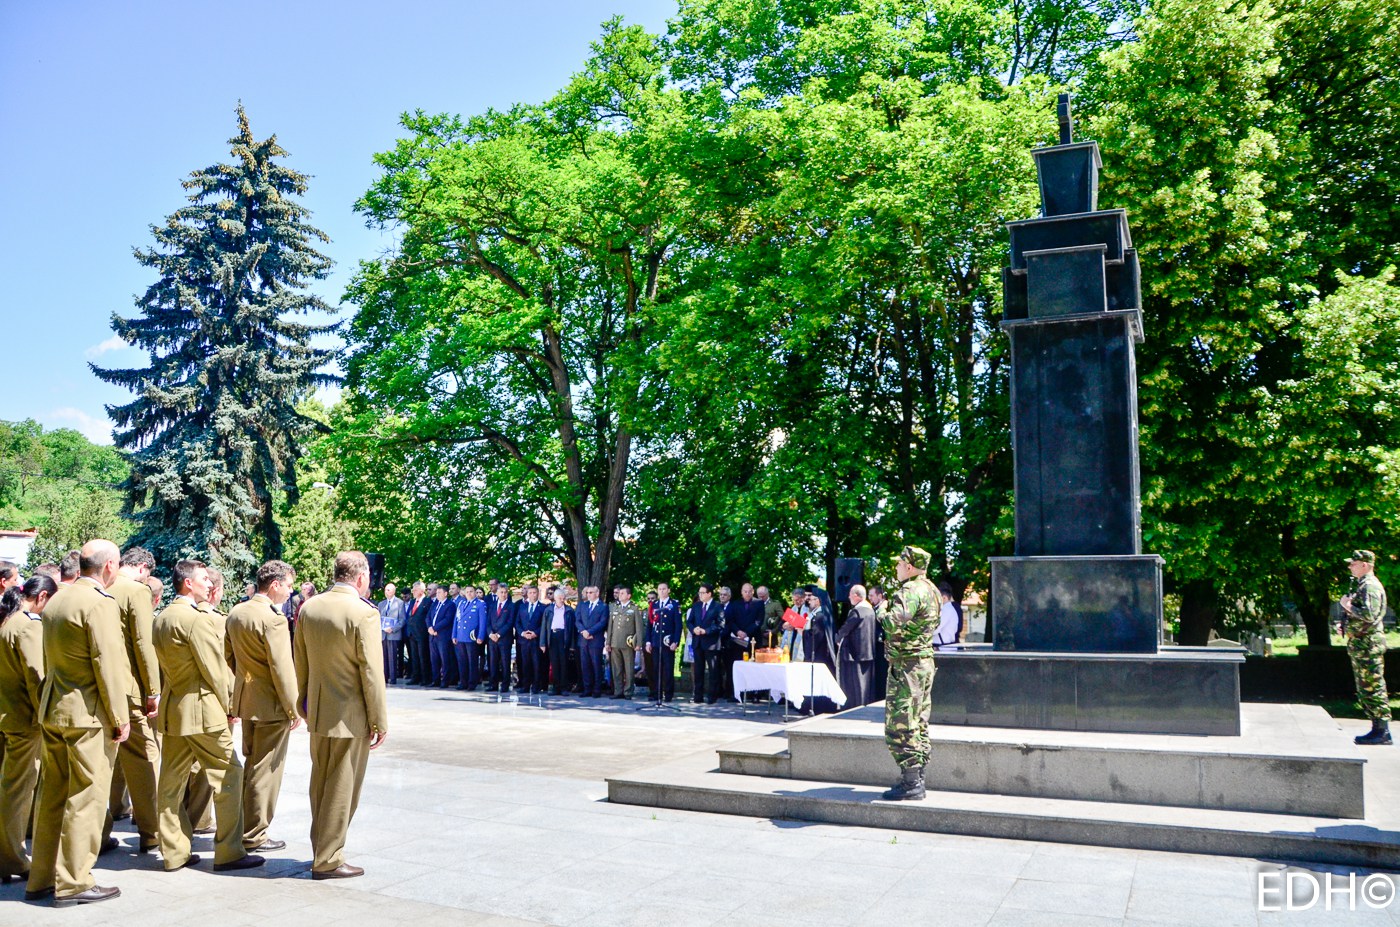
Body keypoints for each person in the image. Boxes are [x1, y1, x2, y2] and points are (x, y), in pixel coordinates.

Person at [26, 539, 131, 908]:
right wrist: (120, 717)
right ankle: (73, 881)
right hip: (87, 715)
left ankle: (40, 877)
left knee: (52, 795)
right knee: (86, 797)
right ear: (108, 566)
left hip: (55, 709)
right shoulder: (98, 603)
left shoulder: (57, 599)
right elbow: (108, 663)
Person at [152, 560, 262, 873]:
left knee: (170, 784)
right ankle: (229, 851)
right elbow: (215, 669)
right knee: (229, 776)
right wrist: (232, 704)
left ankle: (174, 852)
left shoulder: (162, 617)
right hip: (202, 711)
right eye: (203, 579)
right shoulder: (195, 618)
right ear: (187, 583)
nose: (208, 585)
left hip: (175, 710)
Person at [293, 551, 389, 880]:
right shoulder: (364, 613)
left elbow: (300, 662)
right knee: (342, 788)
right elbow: (372, 673)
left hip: (317, 711)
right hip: (351, 715)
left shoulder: (310, 608)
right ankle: (329, 859)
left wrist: (303, 704)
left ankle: (320, 847)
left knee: (320, 784)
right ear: (361, 578)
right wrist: (380, 720)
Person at [225, 560, 300, 854]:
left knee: (252, 762)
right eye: (289, 585)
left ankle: (245, 825)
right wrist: (293, 708)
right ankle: (255, 833)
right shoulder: (274, 618)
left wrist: (246, 682)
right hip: (270, 703)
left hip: (247, 699)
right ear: (275, 585)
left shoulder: (237, 612)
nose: (291, 591)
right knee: (265, 768)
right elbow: (282, 668)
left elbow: (229, 656)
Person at [102, 546, 162, 856]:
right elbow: (143, 642)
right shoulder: (136, 591)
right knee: (145, 757)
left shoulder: (103, 587)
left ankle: (99, 832)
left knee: (105, 764)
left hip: (101, 689)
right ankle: (152, 831)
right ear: (142, 569)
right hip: (130, 691)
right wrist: (153, 690)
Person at [0, 574, 55, 883]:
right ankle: (11, 859)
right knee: (17, 793)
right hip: (24, 720)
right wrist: (45, 717)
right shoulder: (28, 626)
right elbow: (37, 678)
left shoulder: (7, 621)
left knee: (9, 788)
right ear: (43, 597)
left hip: (8, 714)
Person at [880, 547, 940, 801]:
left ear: (910, 567)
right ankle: (917, 778)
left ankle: (912, 783)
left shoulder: (911, 590)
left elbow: (894, 621)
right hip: (923, 662)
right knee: (918, 722)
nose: (896, 568)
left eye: (899, 564)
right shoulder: (932, 589)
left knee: (900, 723)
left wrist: (881, 610)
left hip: (907, 665)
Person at [1342, 550, 1391, 745]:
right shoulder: (1362, 585)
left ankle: (1382, 732)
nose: (1350, 566)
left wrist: (1346, 605)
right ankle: (1376, 728)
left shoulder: (1369, 586)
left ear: (1365, 564)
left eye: (1353, 563)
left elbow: (1369, 615)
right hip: (1362, 645)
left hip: (1369, 646)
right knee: (1365, 689)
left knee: (1373, 687)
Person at [837, 585, 878, 707]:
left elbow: (846, 629)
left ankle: (856, 706)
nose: (849, 596)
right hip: (869, 652)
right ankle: (865, 704)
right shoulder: (870, 610)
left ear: (856, 595)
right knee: (866, 684)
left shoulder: (856, 611)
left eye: (850, 594)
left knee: (856, 684)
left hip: (855, 652)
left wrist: (837, 638)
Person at [606, 585, 646, 700]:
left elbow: (639, 628)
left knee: (629, 668)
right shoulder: (614, 608)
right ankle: (618, 691)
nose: (619, 595)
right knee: (616, 668)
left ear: (629, 596)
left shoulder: (634, 609)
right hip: (615, 642)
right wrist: (608, 642)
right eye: (619, 593)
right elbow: (610, 627)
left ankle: (628, 692)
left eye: (622, 593)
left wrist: (638, 643)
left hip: (628, 643)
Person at [686, 584, 723, 704]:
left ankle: (712, 696)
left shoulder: (717, 606)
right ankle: (698, 696)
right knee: (698, 670)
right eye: (699, 593)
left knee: (713, 670)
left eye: (702, 593)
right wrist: (694, 629)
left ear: (709, 594)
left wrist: (706, 631)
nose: (700, 595)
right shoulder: (696, 606)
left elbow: (720, 624)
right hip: (698, 642)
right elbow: (689, 621)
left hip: (711, 643)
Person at [646, 584, 682, 702]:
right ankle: (657, 693)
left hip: (668, 642)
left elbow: (678, 625)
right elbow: (650, 625)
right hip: (656, 641)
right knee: (656, 668)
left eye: (664, 589)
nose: (662, 591)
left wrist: (676, 641)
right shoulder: (654, 605)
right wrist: (648, 642)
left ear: (668, 590)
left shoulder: (674, 604)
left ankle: (668, 694)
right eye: (660, 589)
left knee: (668, 668)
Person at [575, 586, 608, 698]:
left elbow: (602, 622)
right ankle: (587, 689)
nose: (588, 594)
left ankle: (597, 689)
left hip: (595, 640)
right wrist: (583, 631)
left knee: (596, 665)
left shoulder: (603, 606)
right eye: (587, 592)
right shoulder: (582, 605)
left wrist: (590, 632)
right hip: (583, 640)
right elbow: (577, 620)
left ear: (597, 593)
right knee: (585, 666)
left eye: (591, 592)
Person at [452, 585, 486, 691]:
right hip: (461, 635)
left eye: (471, 591)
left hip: (472, 636)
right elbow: (456, 620)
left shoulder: (480, 604)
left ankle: (472, 683)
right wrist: (454, 635)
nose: (469, 593)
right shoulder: (461, 603)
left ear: (475, 593)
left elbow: (482, 622)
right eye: (467, 592)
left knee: (472, 661)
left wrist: (480, 636)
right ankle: (463, 682)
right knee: (462, 661)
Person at [544, 587, 576, 696]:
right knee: (554, 663)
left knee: (563, 663)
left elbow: (572, 629)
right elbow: (544, 627)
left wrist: (572, 644)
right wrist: (543, 643)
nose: (562, 600)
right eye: (559, 598)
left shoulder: (569, 611)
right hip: (552, 636)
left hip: (564, 636)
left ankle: (564, 687)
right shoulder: (548, 610)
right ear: (555, 598)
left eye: (563, 598)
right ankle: (555, 687)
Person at [515, 585, 545, 694]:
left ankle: (536, 686)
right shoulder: (522, 607)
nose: (532, 595)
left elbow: (544, 624)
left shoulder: (543, 608)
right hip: (524, 640)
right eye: (530, 593)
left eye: (534, 593)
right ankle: (525, 686)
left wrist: (535, 633)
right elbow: (517, 622)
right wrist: (522, 633)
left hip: (536, 640)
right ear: (527, 594)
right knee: (525, 663)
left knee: (536, 663)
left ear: (538, 594)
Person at [485, 584, 515, 693]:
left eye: (505, 592)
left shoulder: (511, 606)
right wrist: (490, 634)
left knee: (505, 662)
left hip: (504, 639)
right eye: (501, 592)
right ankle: (493, 684)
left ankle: (505, 685)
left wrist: (498, 634)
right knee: (493, 662)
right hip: (492, 639)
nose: (503, 594)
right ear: (497, 593)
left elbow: (510, 623)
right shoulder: (492, 605)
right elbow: (487, 622)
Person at [403, 582, 431, 685]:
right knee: (414, 657)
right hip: (412, 633)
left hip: (422, 633)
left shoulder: (427, 602)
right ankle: (415, 677)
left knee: (423, 656)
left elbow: (428, 617)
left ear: (421, 590)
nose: (413, 592)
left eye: (415, 590)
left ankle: (425, 678)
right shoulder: (412, 602)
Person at [378, 583, 405, 686]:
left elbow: (402, 620)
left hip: (393, 634)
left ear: (393, 591)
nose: (386, 592)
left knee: (393, 657)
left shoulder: (400, 603)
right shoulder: (381, 604)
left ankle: (393, 678)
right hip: (383, 634)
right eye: (385, 590)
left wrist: (393, 629)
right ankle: (384, 677)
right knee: (383, 657)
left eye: (388, 590)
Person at [934, 582, 960, 649]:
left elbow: (936, 628)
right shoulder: (948, 609)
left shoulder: (946, 610)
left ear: (944, 597)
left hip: (943, 647)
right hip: (944, 646)